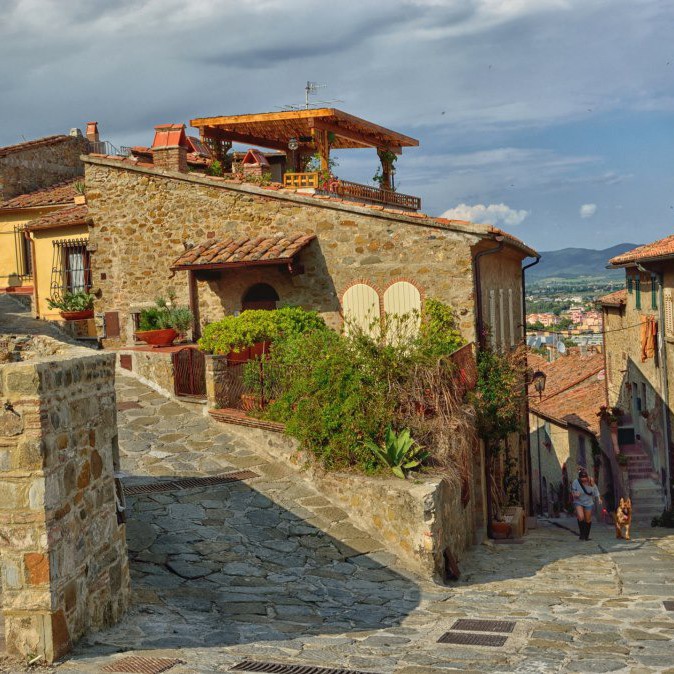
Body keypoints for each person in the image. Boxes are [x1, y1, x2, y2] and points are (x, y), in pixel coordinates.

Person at [570, 468, 601, 540]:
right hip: (578, 501)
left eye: (585, 478)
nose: (583, 479)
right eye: (582, 478)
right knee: (581, 517)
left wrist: (598, 498)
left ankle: (586, 536)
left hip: (588, 502)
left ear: (587, 477)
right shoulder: (576, 482)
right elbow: (573, 491)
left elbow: (595, 489)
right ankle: (582, 535)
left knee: (588, 519)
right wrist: (575, 495)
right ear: (579, 478)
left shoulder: (591, 480)